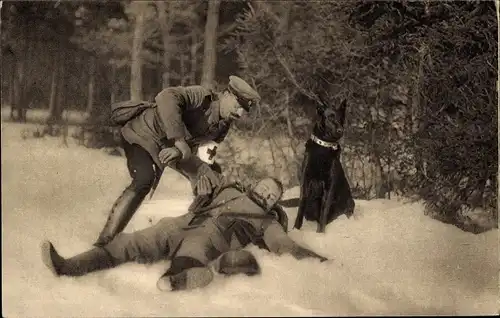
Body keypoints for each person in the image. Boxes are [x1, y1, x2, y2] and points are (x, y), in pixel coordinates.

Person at [41, 177, 329, 291]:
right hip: (179, 223)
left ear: (273, 203)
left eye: (272, 195)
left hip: (212, 235)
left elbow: (283, 245)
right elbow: (200, 198)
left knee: (195, 251)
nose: (266, 194)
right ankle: (69, 266)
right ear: (254, 184)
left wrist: (316, 259)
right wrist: (202, 193)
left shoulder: (267, 221)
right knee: (130, 241)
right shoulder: (229, 189)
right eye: (265, 187)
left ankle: (180, 278)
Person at [93, 76, 261, 248]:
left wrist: (206, 182)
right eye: (238, 105)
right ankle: (105, 242)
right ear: (227, 94)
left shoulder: (223, 125)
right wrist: (179, 141)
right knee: (144, 179)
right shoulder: (202, 97)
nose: (239, 113)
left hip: (171, 150)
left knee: (212, 177)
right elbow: (166, 96)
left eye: (243, 110)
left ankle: (203, 235)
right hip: (143, 134)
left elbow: (205, 155)